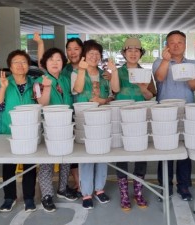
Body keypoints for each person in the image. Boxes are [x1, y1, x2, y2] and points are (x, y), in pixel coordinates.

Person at [153, 30, 195, 201]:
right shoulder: (159, 61)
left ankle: (184, 186)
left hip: (187, 111)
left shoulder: (193, 64)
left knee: (185, 150)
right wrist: (166, 61)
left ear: (185, 44)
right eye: (172, 42)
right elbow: (159, 78)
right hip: (164, 113)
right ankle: (164, 186)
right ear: (167, 44)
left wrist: (187, 75)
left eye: (179, 42)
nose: (175, 45)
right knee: (165, 150)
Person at [72, 39, 119, 209]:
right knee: (85, 155)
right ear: (84, 55)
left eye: (97, 54)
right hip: (84, 119)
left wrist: (104, 99)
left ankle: (99, 189)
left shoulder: (104, 75)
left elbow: (114, 93)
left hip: (101, 119)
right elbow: (77, 89)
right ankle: (86, 192)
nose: (94, 56)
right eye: (90, 53)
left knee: (101, 153)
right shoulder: (76, 72)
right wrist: (82, 71)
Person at [34, 32, 82, 194]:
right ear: (45, 63)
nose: (55, 63)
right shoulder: (39, 81)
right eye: (51, 60)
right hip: (50, 127)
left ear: (63, 63)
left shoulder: (65, 79)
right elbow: (42, 103)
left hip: (66, 125)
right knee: (47, 161)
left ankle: (62, 188)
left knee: (65, 160)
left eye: (58, 60)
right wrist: (47, 88)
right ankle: (47, 195)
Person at [0, 50, 37, 213]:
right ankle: (9, 197)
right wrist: (3, 88)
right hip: (7, 131)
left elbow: (41, 104)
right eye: (16, 62)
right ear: (10, 66)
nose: (20, 65)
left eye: (23, 62)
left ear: (28, 65)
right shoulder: (1, 83)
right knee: (8, 166)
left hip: (30, 132)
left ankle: (29, 198)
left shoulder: (34, 83)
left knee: (29, 166)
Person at [115, 37, 156, 211]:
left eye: (136, 50)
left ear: (140, 53)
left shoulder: (146, 73)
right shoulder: (115, 72)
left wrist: (143, 88)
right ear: (124, 53)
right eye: (129, 50)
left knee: (141, 153)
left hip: (140, 117)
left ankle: (138, 191)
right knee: (122, 154)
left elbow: (150, 96)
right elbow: (112, 92)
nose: (133, 53)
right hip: (121, 117)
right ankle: (124, 193)